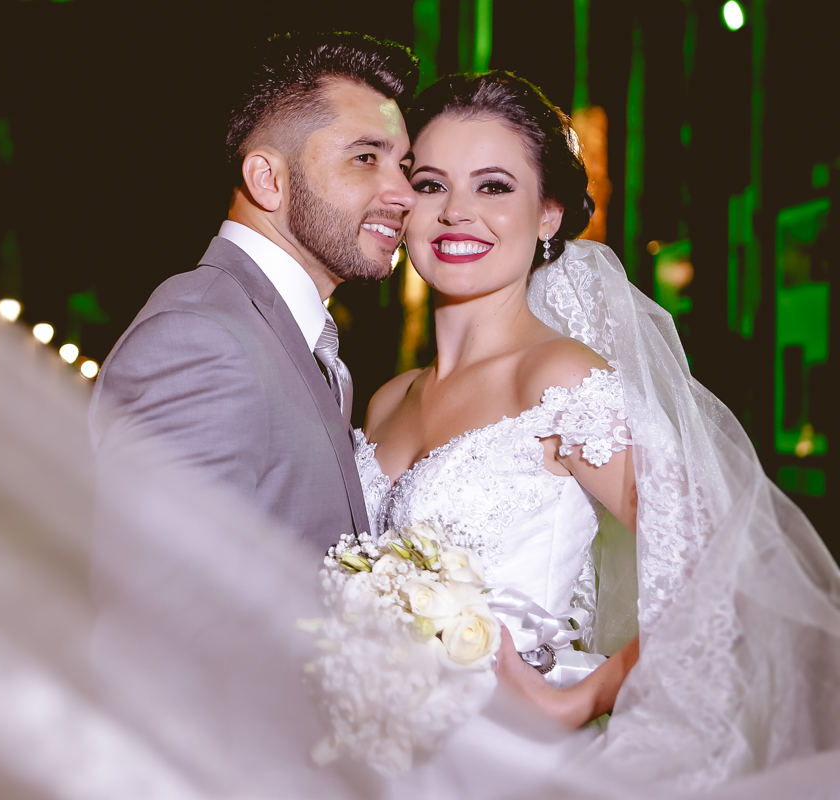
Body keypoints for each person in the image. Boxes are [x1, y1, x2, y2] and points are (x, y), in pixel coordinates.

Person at [351, 70, 840, 792]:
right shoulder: (387, 400)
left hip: (509, 766)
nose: (457, 212)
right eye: (430, 185)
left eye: (494, 187)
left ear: (547, 215)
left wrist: (584, 697)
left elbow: (728, 568)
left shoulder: (560, 380)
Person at [89, 32, 417, 553]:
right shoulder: (199, 340)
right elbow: (167, 591)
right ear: (267, 179)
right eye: (364, 158)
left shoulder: (287, 335)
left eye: (403, 166)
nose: (404, 193)